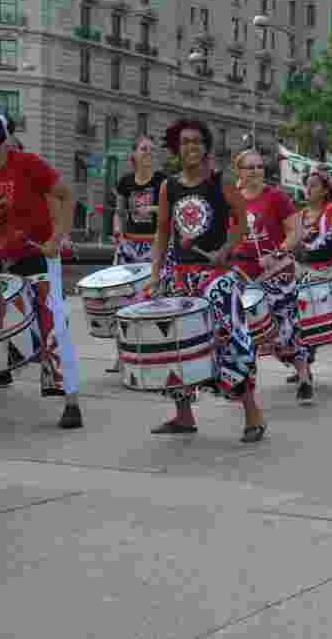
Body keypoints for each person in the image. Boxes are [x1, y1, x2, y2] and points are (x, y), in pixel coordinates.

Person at [147, 119, 267, 443]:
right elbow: (161, 233)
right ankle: (184, 415)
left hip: (215, 276)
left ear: (205, 148)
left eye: (197, 142)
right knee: (175, 344)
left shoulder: (219, 182)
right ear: (176, 148)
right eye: (185, 142)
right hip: (180, 276)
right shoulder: (167, 187)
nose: (191, 148)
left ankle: (252, 413)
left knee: (231, 339)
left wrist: (227, 248)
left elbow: (242, 221)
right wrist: (156, 275)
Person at [0, 114, 83, 428]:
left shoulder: (28, 163)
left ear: (2, 143)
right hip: (0, 258)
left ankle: (71, 401)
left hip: (38, 255)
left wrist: (58, 237)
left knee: (53, 323)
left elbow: (66, 194)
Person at [230, 149, 313, 404]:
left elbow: (295, 232)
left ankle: (304, 376)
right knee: (248, 327)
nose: (255, 171)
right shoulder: (233, 200)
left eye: (259, 167)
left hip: (276, 270)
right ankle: (245, 382)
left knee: (285, 325)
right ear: (239, 172)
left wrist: (277, 252)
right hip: (244, 271)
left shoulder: (275, 196)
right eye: (249, 167)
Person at [284, 170, 332, 385]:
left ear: (325, 189)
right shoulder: (300, 216)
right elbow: (296, 245)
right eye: (307, 186)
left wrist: (329, 179)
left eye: (314, 185)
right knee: (305, 321)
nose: (308, 190)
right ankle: (304, 367)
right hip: (314, 273)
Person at [106, 135, 167, 373]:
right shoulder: (125, 182)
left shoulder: (162, 181)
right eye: (143, 149)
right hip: (128, 247)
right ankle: (122, 355)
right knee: (122, 301)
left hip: (153, 246)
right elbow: (118, 212)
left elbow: (169, 209)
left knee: (153, 302)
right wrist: (117, 230)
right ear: (134, 154)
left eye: (151, 150)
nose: (148, 153)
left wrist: (150, 207)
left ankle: (154, 355)